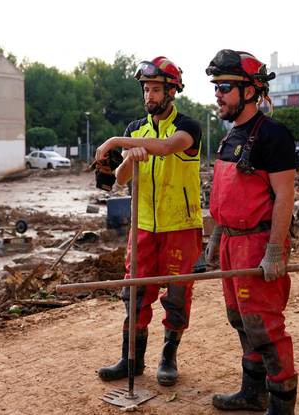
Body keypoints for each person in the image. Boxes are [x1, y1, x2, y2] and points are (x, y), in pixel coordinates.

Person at [94, 56, 202, 386]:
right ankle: (132, 360)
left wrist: (116, 143)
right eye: (146, 90)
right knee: (136, 292)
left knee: (176, 296)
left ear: (172, 91)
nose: (149, 96)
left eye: (155, 89)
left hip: (180, 225)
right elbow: (122, 178)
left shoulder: (188, 127)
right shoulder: (136, 130)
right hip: (142, 226)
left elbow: (168, 147)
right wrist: (130, 157)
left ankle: (168, 358)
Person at [204, 49, 298, 414]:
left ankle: (281, 404)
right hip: (230, 242)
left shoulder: (273, 135)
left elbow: (284, 196)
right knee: (240, 319)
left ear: (250, 90)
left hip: (257, 244)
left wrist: (274, 250)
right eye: (215, 87)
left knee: (264, 326)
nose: (217, 94)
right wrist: (216, 236)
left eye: (224, 86)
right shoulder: (231, 136)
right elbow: (226, 193)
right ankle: (252, 392)